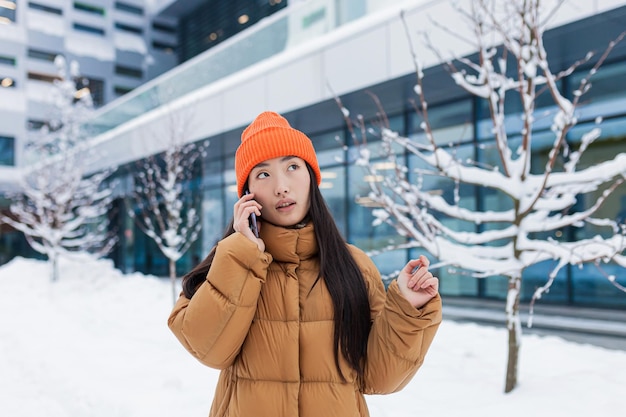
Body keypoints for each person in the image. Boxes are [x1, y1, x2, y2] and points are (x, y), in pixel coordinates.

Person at [168, 111, 442, 417]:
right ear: (247, 193)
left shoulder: (354, 266)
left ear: (312, 177)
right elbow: (210, 350)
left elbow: (379, 377)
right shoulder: (230, 263)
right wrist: (243, 255)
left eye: (293, 167)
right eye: (263, 174)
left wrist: (407, 309)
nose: (281, 187)